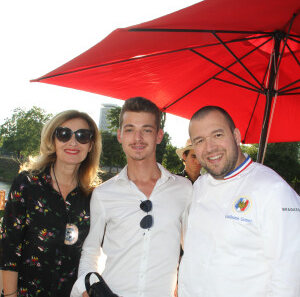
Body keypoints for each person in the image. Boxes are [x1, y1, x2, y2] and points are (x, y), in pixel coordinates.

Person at [71, 97, 192, 297]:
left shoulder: (184, 189)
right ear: (120, 135)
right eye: (129, 129)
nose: (137, 138)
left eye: (146, 129)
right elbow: (90, 252)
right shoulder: (103, 194)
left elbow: (191, 249)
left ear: (159, 135)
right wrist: (87, 289)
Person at [178, 106, 300, 297]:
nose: (210, 147)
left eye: (217, 135)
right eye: (199, 141)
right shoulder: (199, 186)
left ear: (236, 136)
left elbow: (290, 278)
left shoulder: (274, 191)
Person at [0, 110, 101, 297]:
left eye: (82, 136)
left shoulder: (94, 196)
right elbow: (9, 249)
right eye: (64, 134)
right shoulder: (26, 184)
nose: (73, 142)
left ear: (91, 145)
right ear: (52, 140)